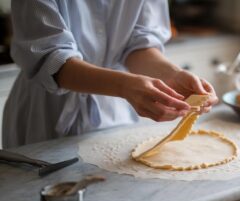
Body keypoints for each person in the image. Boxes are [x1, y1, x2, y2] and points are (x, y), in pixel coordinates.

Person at [2, 0, 218, 148]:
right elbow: (52, 62)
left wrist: (173, 74)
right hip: (47, 113)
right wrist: (125, 86)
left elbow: (138, 44)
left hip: (117, 112)